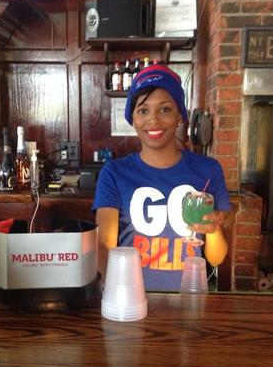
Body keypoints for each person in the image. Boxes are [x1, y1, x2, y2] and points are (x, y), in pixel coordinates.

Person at [93, 64, 230, 291]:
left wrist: (213, 229)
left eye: (165, 109)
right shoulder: (114, 173)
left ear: (179, 116)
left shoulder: (209, 171)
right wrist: (117, 295)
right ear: (133, 119)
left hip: (189, 298)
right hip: (131, 297)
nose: (153, 120)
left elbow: (216, 258)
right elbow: (104, 247)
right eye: (143, 111)